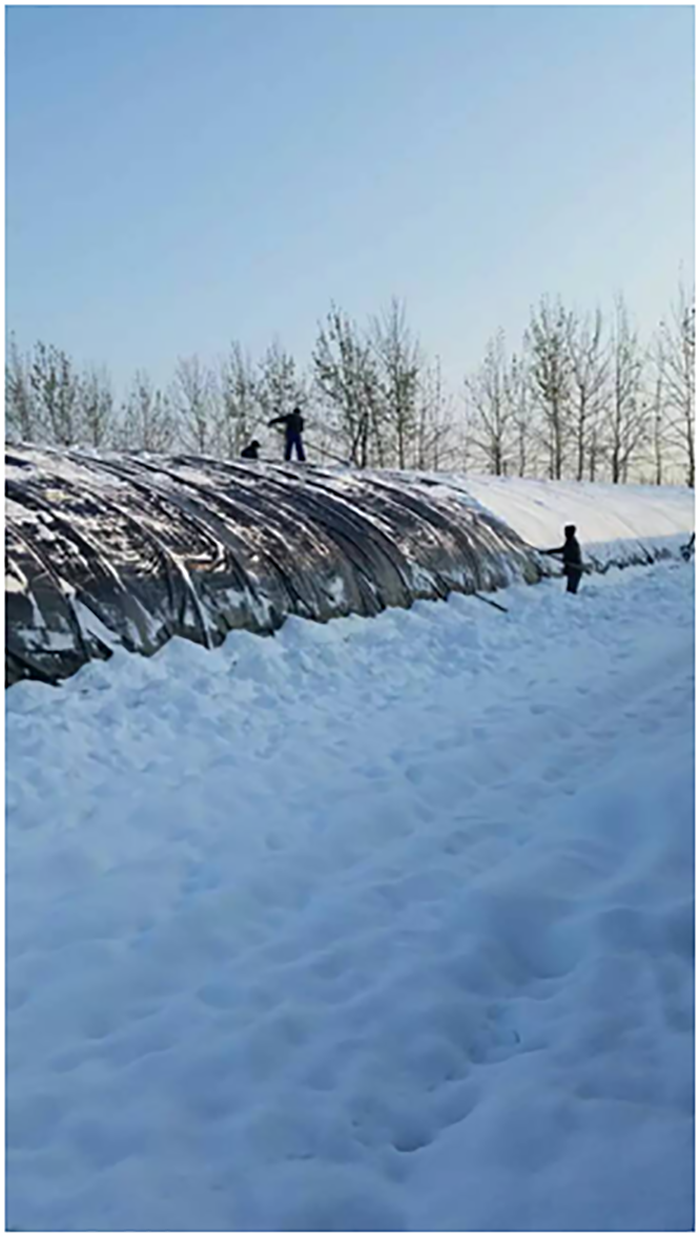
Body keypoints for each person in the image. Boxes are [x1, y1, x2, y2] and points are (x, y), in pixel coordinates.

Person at [543, 524, 584, 594]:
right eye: (565, 532)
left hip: (575, 569)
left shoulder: (572, 543)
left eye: (567, 532)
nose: (565, 534)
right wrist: (549, 552)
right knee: (570, 591)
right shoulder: (569, 541)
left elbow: (567, 552)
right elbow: (563, 550)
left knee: (571, 592)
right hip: (572, 569)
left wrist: (550, 552)